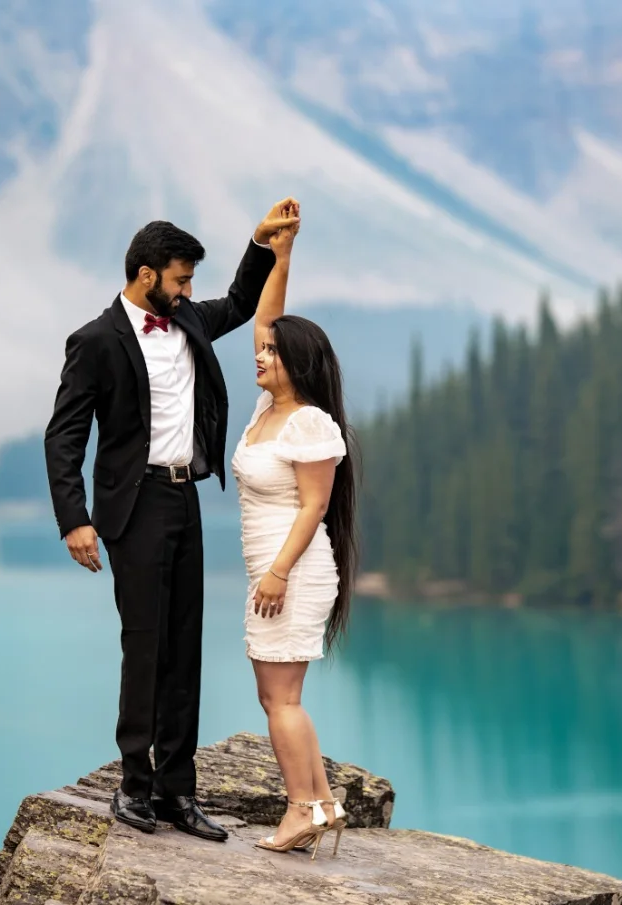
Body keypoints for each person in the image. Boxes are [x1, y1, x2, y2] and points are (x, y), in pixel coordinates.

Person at [43, 199, 301, 841]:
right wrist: (74, 518)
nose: (190, 291)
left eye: (190, 281)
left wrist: (262, 241)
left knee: (185, 650)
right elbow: (64, 436)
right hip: (134, 508)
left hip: (186, 499)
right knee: (146, 645)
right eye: (181, 279)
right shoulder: (96, 341)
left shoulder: (185, 320)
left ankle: (176, 794)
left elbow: (242, 302)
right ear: (144, 274)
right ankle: (133, 787)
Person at [230, 217, 360, 858]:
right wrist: (279, 254)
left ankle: (299, 809)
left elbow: (315, 505)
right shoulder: (268, 409)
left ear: (296, 364)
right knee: (279, 695)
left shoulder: (307, 422)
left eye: (273, 353)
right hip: (276, 569)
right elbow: (265, 320)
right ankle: (324, 803)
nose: (261, 353)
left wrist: (278, 572)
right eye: (263, 349)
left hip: (294, 569)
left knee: (279, 698)